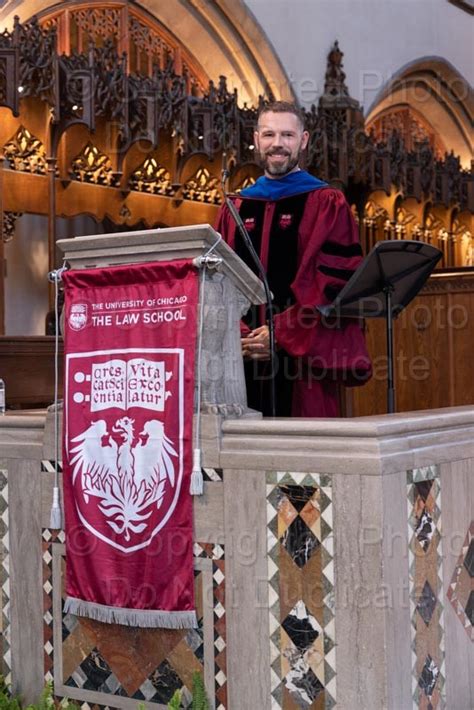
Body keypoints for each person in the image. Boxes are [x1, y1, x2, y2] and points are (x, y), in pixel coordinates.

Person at [215, 101, 371, 417]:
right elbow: (216, 283)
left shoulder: (326, 203)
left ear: (303, 140)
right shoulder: (235, 207)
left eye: (287, 135)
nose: (277, 144)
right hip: (238, 360)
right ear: (256, 139)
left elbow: (333, 285)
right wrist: (240, 334)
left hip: (301, 360)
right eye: (269, 134)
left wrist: (280, 333)